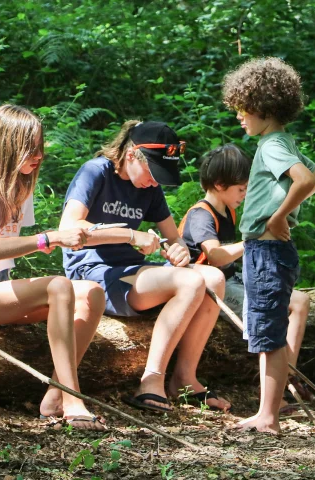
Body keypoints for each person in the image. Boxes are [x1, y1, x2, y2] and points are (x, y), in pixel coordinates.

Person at [0, 104, 106, 430]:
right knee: (58, 285)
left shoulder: (20, 184)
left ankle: (53, 396)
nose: (39, 156)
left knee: (92, 292)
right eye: (30, 148)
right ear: (7, 145)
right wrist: (52, 238)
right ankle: (73, 400)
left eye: (41, 147)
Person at [60, 120, 231, 413]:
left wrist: (177, 252)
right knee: (189, 283)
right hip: (91, 271)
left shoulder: (149, 188)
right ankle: (151, 380)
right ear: (130, 156)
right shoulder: (95, 172)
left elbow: (173, 238)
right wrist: (129, 234)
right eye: (153, 174)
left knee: (213, 278)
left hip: (131, 271)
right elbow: (69, 229)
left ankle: (184, 379)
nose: (155, 183)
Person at [222, 57, 315, 433]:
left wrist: (279, 216)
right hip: (267, 252)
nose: (239, 117)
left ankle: (268, 416)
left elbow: (302, 180)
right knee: (268, 331)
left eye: (243, 109)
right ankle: (270, 410)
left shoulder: (271, 145)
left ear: (264, 108)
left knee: (268, 333)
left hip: (266, 250)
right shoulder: (281, 141)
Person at [178, 143, 315, 415]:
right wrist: (254, 240)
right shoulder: (201, 214)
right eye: (241, 189)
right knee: (277, 312)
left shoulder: (227, 210)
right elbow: (215, 255)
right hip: (212, 286)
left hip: (234, 278)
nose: (245, 194)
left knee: (300, 301)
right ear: (219, 184)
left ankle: (288, 375)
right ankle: (278, 392)